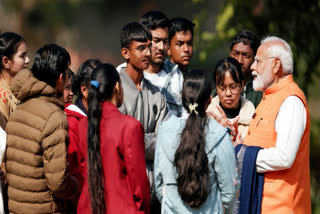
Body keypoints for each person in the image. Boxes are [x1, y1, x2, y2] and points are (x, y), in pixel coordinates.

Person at [235, 36, 311, 213]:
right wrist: (242, 140)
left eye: (258, 61)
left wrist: (240, 154)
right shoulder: (269, 96)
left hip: (282, 207)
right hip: (262, 203)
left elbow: (284, 156)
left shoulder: (291, 100)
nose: (252, 67)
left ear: (276, 65)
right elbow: (268, 140)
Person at [5, 44, 78, 213]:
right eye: (67, 76)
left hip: (16, 207)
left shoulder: (20, 106)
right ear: (60, 78)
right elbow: (58, 182)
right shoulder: (55, 116)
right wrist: (75, 185)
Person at [154, 70, 237, 213]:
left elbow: (159, 184)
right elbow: (229, 191)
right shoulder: (220, 135)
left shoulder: (164, 131)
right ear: (210, 99)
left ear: (182, 97)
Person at [77, 64, 150, 214]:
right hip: (122, 208)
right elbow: (139, 184)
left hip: (88, 207)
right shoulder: (130, 127)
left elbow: (84, 169)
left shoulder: (84, 124)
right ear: (117, 86)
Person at [119, 22, 168, 211]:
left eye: (149, 47)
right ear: (125, 52)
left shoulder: (157, 95)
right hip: (125, 189)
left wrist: (137, 140)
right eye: (141, 48)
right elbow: (121, 143)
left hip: (155, 192)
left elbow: (166, 142)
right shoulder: (115, 92)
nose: (148, 53)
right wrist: (152, 138)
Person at [117, 11, 184, 117]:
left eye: (165, 41)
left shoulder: (176, 74)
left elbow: (184, 116)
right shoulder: (120, 76)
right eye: (156, 41)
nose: (161, 47)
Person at [207, 57, 255, 138]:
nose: (228, 93)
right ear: (216, 87)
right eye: (222, 88)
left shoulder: (251, 113)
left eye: (233, 87)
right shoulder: (208, 114)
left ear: (242, 84)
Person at [0, 32, 30, 129]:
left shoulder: (22, 93)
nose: (27, 60)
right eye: (22, 56)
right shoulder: (2, 99)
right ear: (6, 62)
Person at [230, 30, 262, 107]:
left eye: (246, 56)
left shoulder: (262, 93)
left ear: (255, 59)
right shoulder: (218, 93)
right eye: (235, 54)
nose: (239, 61)